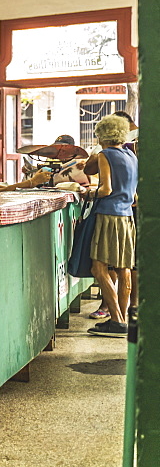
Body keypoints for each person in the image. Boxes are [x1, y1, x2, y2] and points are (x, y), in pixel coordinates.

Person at [85, 114, 138, 337]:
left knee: (99, 268)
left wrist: (88, 193)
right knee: (123, 268)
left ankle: (116, 319)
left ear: (102, 135)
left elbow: (105, 189)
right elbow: (134, 195)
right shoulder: (131, 155)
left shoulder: (106, 154)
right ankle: (122, 319)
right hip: (127, 217)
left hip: (108, 215)